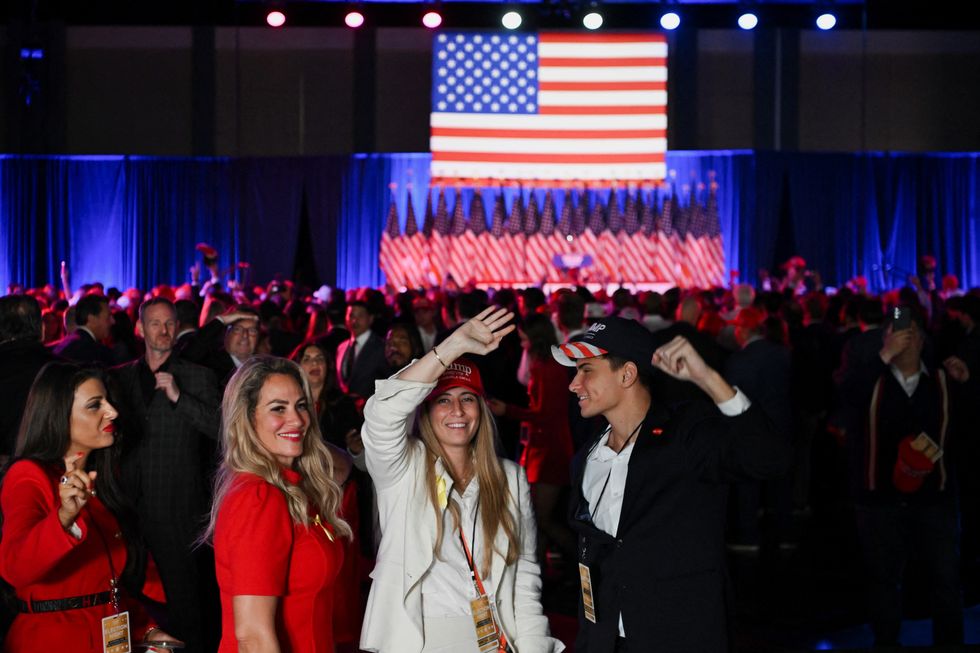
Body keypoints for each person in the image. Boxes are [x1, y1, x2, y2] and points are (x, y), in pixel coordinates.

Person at [554, 317, 790, 652]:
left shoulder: (686, 432)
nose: (574, 384)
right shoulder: (588, 456)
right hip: (607, 638)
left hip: (679, 636)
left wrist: (708, 379)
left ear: (627, 374)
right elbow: (593, 558)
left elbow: (770, 459)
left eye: (587, 370)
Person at [359, 307, 563, 653]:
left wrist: (532, 647)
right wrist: (451, 347)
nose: (457, 411)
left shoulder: (509, 476)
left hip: (494, 638)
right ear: (425, 409)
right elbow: (382, 413)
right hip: (422, 641)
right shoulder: (403, 468)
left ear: (481, 409)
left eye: (467, 398)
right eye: (443, 400)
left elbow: (525, 576)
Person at [0, 362, 180, 652]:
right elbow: (14, 567)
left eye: (107, 401)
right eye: (95, 405)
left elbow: (103, 589)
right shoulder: (29, 475)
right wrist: (64, 519)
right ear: (59, 415)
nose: (112, 412)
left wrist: (149, 631)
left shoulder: (101, 480)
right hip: (52, 641)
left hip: (106, 638)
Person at [203, 356, 352, 653]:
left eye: (300, 405)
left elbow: (344, 466)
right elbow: (252, 638)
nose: (297, 420)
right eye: (278, 409)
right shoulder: (258, 498)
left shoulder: (293, 487)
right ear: (247, 418)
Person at [839, 306, 964, 646]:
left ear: (923, 341)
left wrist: (966, 380)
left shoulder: (942, 380)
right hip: (879, 500)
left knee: (946, 580)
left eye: (912, 335)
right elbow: (846, 396)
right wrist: (884, 354)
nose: (905, 341)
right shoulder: (870, 381)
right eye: (898, 335)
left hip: (933, 499)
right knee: (883, 581)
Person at [109, 297, 222, 652]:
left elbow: (222, 429)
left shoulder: (197, 376)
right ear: (140, 329)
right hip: (127, 508)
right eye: (155, 323)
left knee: (185, 601)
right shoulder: (120, 377)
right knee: (124, 597)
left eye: (170, 323)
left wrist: (178, 397)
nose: (164, 330)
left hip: (178, 507)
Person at [488, 314, 576, 566]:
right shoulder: (545, 364)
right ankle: (540, 577)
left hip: (550, 449)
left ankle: (586, 565)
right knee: (537, 520)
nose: (521, 344)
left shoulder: (548, 368)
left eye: (524, 339)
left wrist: (508, 411)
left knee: (542, 519)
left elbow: (545, 414)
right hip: (543, 446)